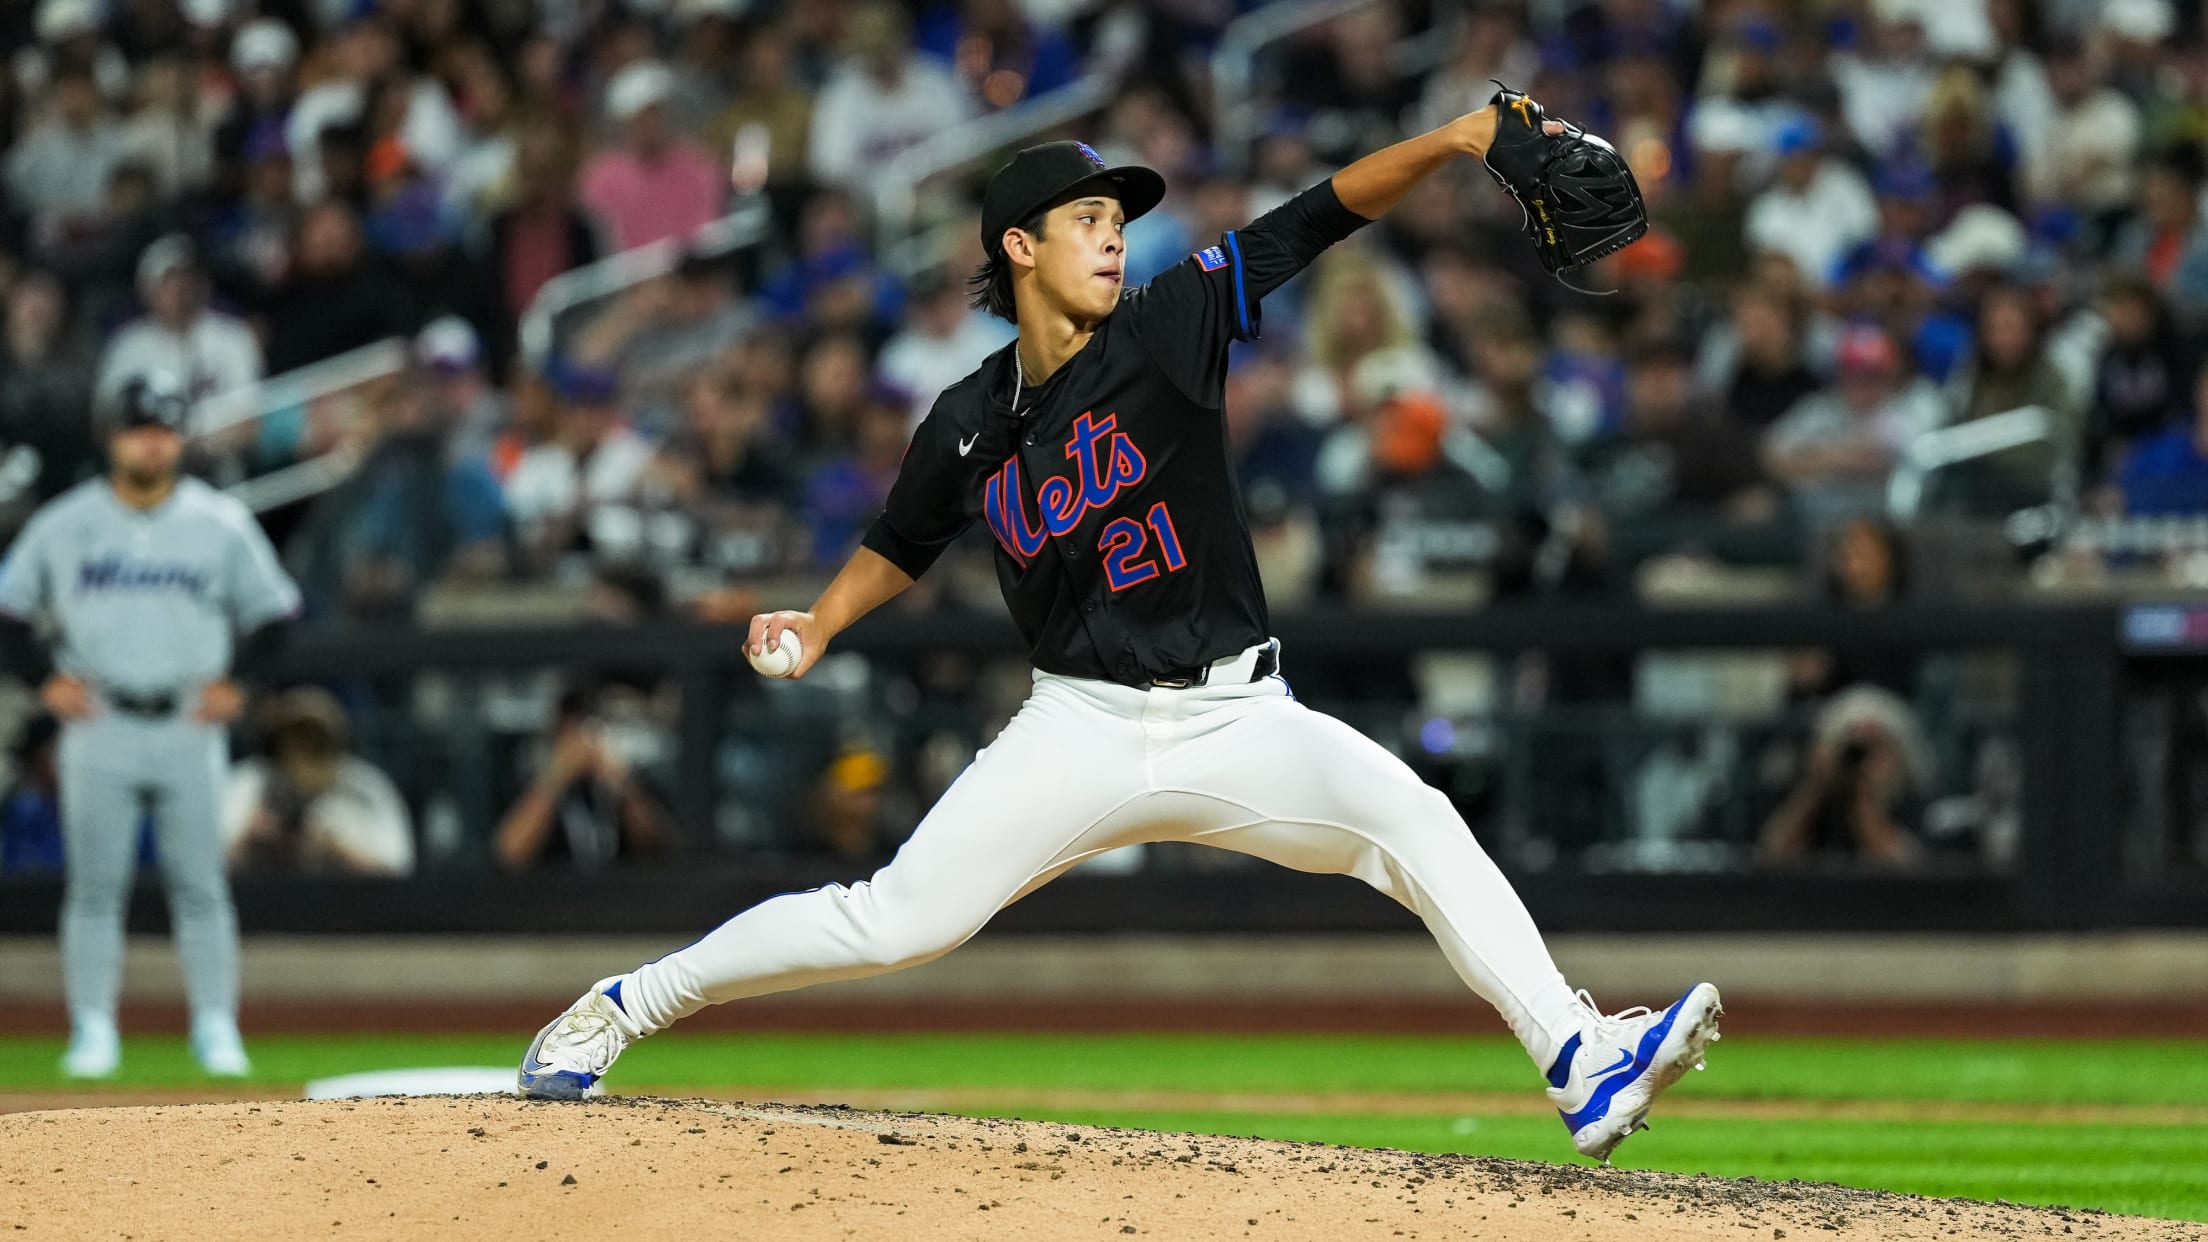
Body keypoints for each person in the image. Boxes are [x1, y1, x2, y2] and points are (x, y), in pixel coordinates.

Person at [517, 107, 1723, 1165]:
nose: (1113, 236)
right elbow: (904, 537)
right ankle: (622, 1006)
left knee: (1413, 819)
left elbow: (1318, 215)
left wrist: (1461, 139)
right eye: (1087, 217)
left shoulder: (1169, 325)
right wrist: (822, 622)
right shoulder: (968, 419)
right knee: (892, 921)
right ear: (1018, 246)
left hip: (1238, 717)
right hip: (1077, 725)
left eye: (1118, 218)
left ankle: (1577, 1056)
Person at [0, 374, 300, 1079]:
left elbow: (277, 614)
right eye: (140, 429)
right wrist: (45, 681)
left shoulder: (218, 521)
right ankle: (94, 1028)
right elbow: (9, 611)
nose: (151, 443)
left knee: (201, 888)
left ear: (179, 438)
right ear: (113, 436)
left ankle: (215, 1027)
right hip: (100, 721)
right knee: (95, 889)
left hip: (186, 720)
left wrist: (244, 685)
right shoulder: (66, 522)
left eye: (163, 430)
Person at [222, 687, 414, 876]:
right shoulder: (253, 780)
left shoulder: (364, 784)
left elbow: (398, 866)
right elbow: (209, 863)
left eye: (316, 739)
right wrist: (252, 841)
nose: (304, 749)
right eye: (295, 738)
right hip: (258, 902)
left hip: (349, 903)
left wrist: (338, 850)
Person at [493, 685, 672, 872]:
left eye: (590, 725)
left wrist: (621, 782)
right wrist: (557, 777)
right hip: (553, 894)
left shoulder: (631, 781)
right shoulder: (530, 780)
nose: (583, 740)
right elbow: (509, 854)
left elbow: (660, 850)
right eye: (573, 726)